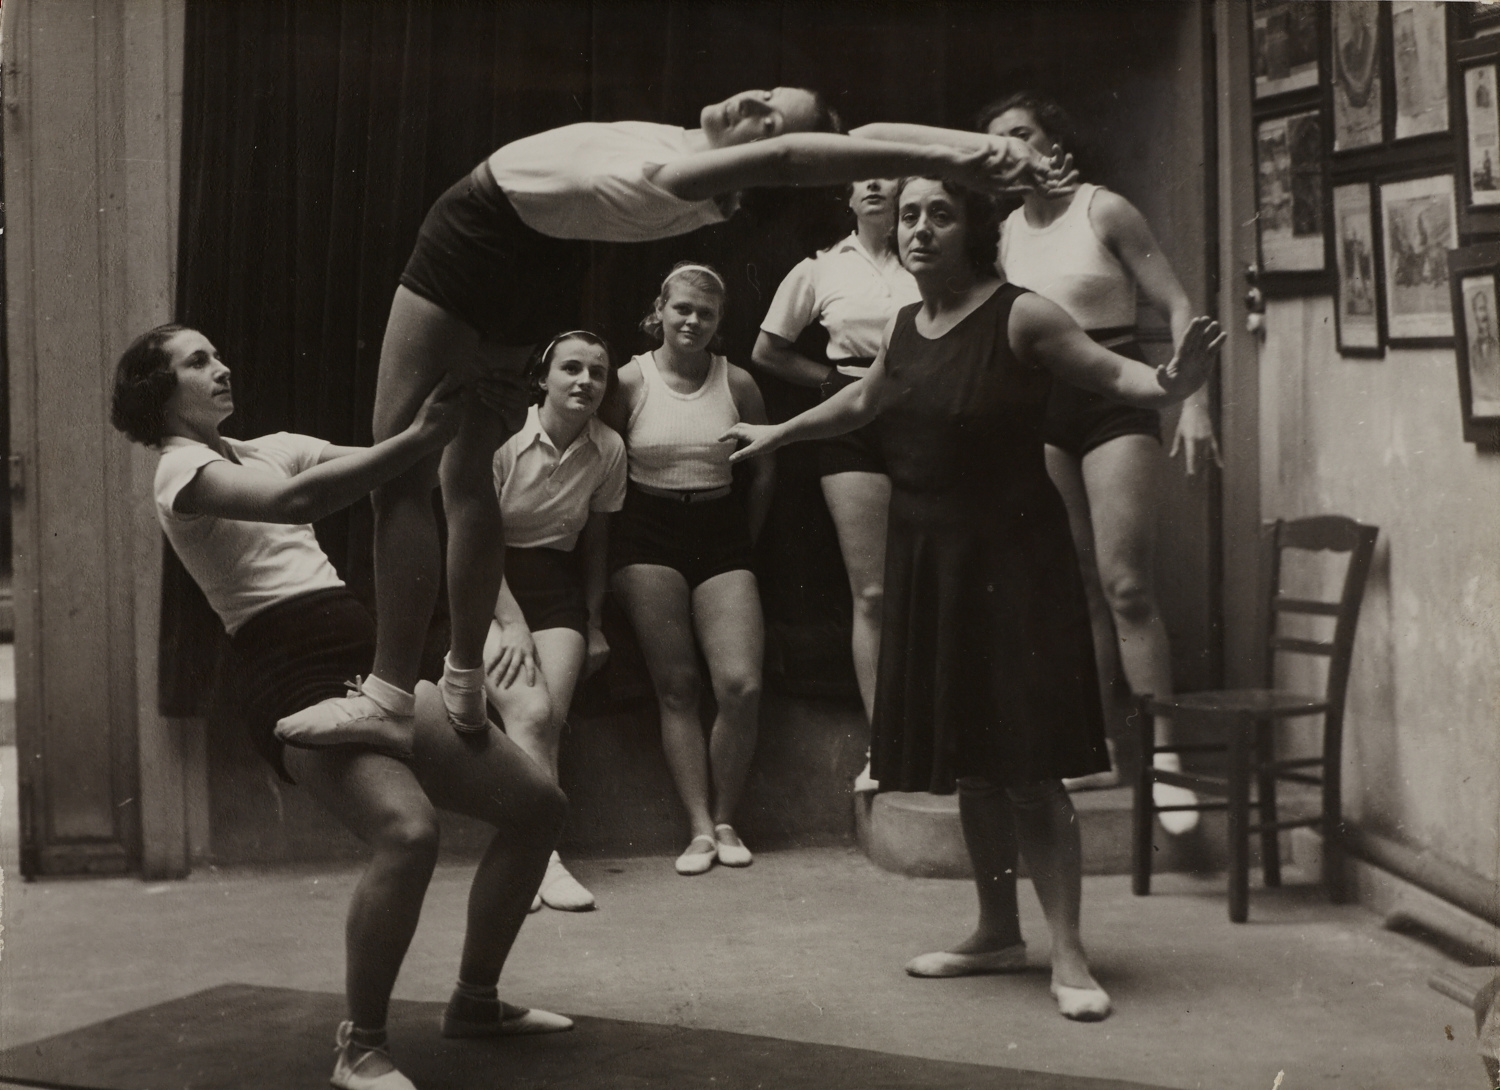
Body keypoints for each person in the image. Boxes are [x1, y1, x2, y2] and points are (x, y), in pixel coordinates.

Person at [272, 88, 1067, 759]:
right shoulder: (695, 150)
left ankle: (383, 694)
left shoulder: (678, 172)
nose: (753, 102)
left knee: (396, 470)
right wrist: (974, 147)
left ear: (759, 158)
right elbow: (863, 141)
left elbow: (800, 158)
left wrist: (956, 164)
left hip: (475, 235)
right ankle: (464, 684)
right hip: (535, 257)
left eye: (767, 121)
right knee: (462, 474)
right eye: (766, 90)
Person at [722, 177, 1223, 1021]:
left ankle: (1068, 952)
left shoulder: (1022, 314)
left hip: (1013, 569)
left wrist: (1173, 385)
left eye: (939, 214)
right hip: (931, 564)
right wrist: (780, 431)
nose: (918, 228)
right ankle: (997, 931)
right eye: (909, 214)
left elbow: (1112, 375)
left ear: (974, 229)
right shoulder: (906, 326)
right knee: (972, 773)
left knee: (1028, 772)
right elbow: (864, 399)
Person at [112, 325, 572, 1090]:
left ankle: (476, 1002)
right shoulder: (177, 470)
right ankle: (360, 1048)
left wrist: (463, 405)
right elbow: (303, 498)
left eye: (219, 354)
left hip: (366, 655)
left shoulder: (275, 442)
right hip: (289, 671)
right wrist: (427, 428)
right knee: (407, 831)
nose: (221, 367)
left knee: (538, 809)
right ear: (159, 392)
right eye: (198, 361)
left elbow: (395, 473)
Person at [981, 92, 1217, 822]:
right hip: (1042, 403)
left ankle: (1164, 755)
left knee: (1125, 585)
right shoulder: (1004, 233)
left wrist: (1195, 400)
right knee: (1078, 584)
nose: (1011, 150)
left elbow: (1179, 306)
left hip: (1116, 392)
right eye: (996, 142)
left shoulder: (1103, 210)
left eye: (1022, 134)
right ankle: (1106, 751)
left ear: (1055, 141)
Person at [603, 262, 775, 876]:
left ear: (719, 322)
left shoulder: (740, 383)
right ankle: (698, 828)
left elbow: (764, 471)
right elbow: (603, 467)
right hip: (646, 531)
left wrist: (741, 542)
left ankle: (727, 820)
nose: (693, 321)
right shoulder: (628, 380)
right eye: (682, 309)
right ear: (660, 309)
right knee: (677, 687)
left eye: (706, 313)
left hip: (721, 529)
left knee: (741, 685)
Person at [751, 178, 920, 793]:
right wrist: (830, 382)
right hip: (851, 425)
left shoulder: (928, 252)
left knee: (935, 579)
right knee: (872, 593)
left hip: (930, 418)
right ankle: (884, 747)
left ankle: (946, 737)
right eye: (860, 178)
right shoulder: (820, 268)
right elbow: (768, 349)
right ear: (847, 199)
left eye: (886, 175)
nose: (873, 185)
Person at [482, 330, 625, 913]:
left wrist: (591, 620)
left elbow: (597, 542)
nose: (585, 381)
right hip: (484, 583)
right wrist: (511, 624)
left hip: (554, 586)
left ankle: (522, 853)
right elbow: (474, 543)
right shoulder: (503, 440)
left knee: (549, 717)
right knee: (531, 712)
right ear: (543, 378)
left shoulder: (608, 448)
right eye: (571, 368)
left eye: (597, 373)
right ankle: (542, 859)